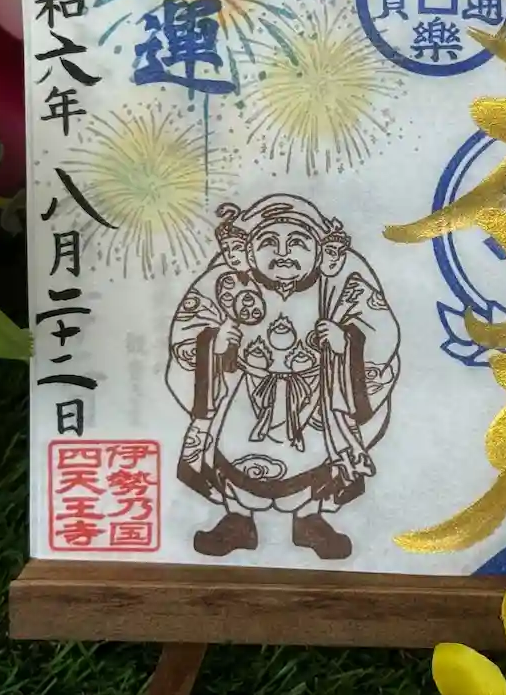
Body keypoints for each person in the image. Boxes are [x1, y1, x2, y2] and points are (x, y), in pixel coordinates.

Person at [166, 194, 400, 560]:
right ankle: (237, 519)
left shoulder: (341, 282)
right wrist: (215, 343)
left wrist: (346, 341)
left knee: (317, 455)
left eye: (298, 243)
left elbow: (379, 326)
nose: (283, 253)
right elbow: (192, 323)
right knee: (233, 448)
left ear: (320, 252)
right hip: (247, 389)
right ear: (248, 251)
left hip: (316, 393)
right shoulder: (228, 281)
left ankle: (310, 520)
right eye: (269, 243)